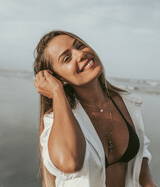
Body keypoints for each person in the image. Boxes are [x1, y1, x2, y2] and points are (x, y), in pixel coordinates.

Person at [33, 30, 156, 187]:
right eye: (67, 58)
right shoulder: (56, 121)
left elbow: (142, 162)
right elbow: (70, 162)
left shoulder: (127, 102)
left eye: (80, 46)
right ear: (60, 78)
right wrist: (57, 92)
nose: (80, 54)